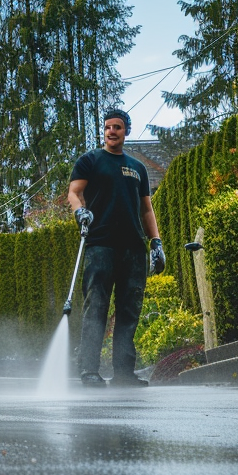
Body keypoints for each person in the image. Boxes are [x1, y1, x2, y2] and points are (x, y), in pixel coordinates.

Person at [66, 109, 165, 388]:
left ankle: (123, 373)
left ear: (126, 131)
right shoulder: (90, 161)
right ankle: (89, 372)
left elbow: (146, 209)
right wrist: (79, 212)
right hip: (100, 245)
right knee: (96, 306)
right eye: (108, 127)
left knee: (129, 311)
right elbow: (74, 193)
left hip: (133, 248)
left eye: (118, 127)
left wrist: (155, 242)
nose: (112, 131)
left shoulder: (138, 168)